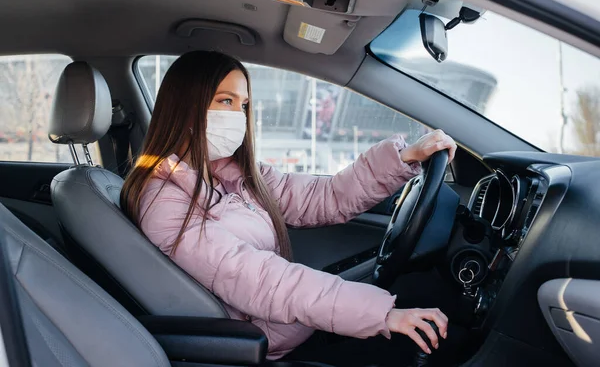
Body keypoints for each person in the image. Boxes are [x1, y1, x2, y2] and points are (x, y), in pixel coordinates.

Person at [121, 51, 458, 365]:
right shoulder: (164, 200)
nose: (238, 115)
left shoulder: (233, 174)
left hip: (292, 325)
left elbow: (324, 197)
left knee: (432, 308)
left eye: (243, 105)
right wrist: (380, 314)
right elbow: (256, 278)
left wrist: (404, 157)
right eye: (225, 101)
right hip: (265, 345)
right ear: (186, 107)